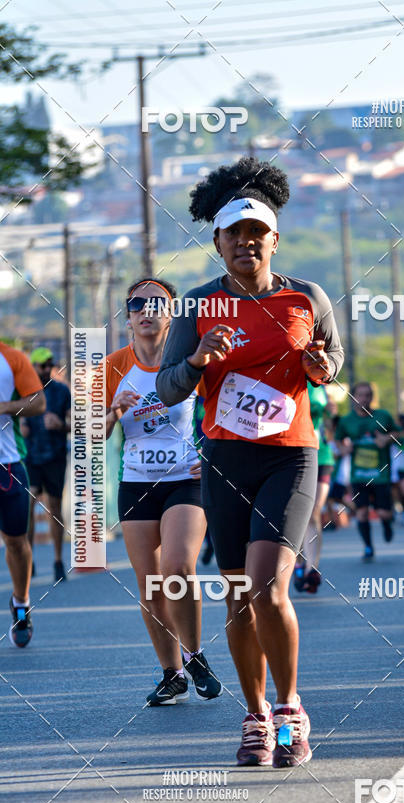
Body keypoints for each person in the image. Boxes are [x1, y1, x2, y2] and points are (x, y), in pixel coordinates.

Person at [157, 157, 343, 768]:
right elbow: (167, 389)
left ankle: (290, 712)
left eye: (257, 233)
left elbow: (332, 366)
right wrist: (199, 361)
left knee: (267, 585)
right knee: (238, 596)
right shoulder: (196, 306)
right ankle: (255, 716)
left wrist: (320, 368)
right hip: (225, 460)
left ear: (274, 239)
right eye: (234, 234)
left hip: (290, 457)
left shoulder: (306, 297)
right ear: (217, 242)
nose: (246, 243)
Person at [104, 277, 222, 706]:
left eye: (157, 303)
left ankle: (194, 655)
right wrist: (113, 413)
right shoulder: (113, 366)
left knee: (177, 568)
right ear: (128, 315)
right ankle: (171, 674)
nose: (146, 310)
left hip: (186, 480)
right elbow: (88, 435)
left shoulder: (190, 361)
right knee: (150, 584)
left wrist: (207, 454)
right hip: (135, 483)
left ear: (171, 314)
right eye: (137, 304)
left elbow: (223, 410)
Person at [0, 342, 46, 647]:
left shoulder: (11, 357)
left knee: (17, 541)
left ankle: (21, 602)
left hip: (8, 465)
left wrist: (3, 406)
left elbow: (38, 403)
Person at [20, 347, 70, 583]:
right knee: (27, 506)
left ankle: (58, 561)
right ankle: (27, 560)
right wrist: (21, 427)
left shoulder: (61, 391)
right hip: (31, 457)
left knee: (55, 509)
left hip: (55, 456)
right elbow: (13, 419)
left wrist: (61, 424)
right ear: (33, 367)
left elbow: (75, 423)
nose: (46, 369)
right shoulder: (24, 390)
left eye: (49, 364)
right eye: (41, 365)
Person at [335, 382, 398, 562]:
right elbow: (338, 440)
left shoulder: (383, 416)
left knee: (384, 513)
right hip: (358, 476)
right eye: (360, 395)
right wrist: (343, 449)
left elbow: (400, 434)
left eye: (367, 395)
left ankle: (387, 524)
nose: (364, 399)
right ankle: (368, 547)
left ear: (372, 397)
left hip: (380, 475)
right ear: (353, 397)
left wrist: (387, 438)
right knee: (361, 512)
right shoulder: (347, 421)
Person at [294, 382, 335, 594]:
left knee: (313, 512)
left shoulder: (320, 382)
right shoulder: (285, 376)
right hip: (294, 454)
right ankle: (299, 561)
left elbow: (329, 425)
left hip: (322, 454)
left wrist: (332, 415)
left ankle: (313, 569)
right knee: (297, 513)